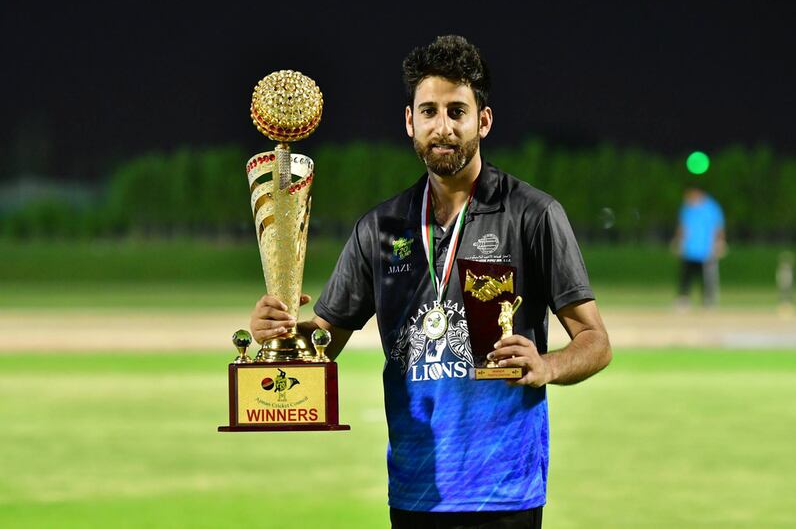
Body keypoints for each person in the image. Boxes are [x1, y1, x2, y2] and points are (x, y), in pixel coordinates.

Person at [251, 35, 612, 529]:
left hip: (505, 492)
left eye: (457, 111)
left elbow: (596, 341)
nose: (443, 127)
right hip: (416, 491)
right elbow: (322, 345)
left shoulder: (534, 215)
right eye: (429, 112)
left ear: (482, 121)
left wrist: (547, 365)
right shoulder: (379, 228)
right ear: (409, 122)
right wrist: (280, 335)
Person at [672, 184, 726, 308]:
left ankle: (708, 300)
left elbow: (719, 227)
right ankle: (683, 299)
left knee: (707, 277)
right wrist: (678, 241)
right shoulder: (687, 208)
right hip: (690, 249)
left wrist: (719, 242)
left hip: (706, 250)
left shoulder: (711, 207)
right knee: (686, 275)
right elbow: (683, 226)